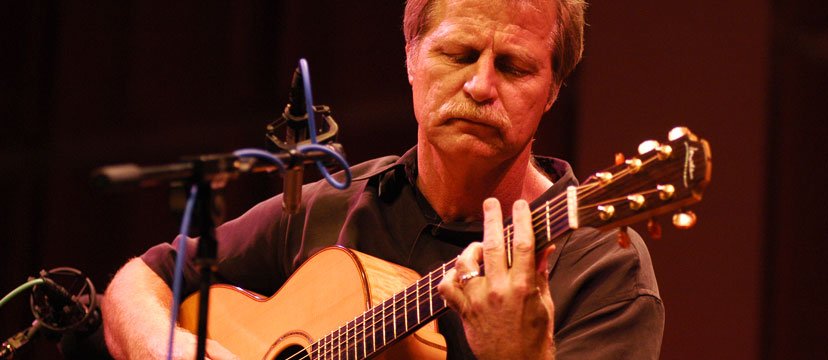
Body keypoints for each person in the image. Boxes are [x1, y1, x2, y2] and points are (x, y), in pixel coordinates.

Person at [102, 0, 664, 359]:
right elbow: (140, 280)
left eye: (514, 66)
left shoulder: (601, 267)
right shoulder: (333, 206)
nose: (480, 86)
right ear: (411, 58)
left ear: (554, 91)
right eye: (459, 54)